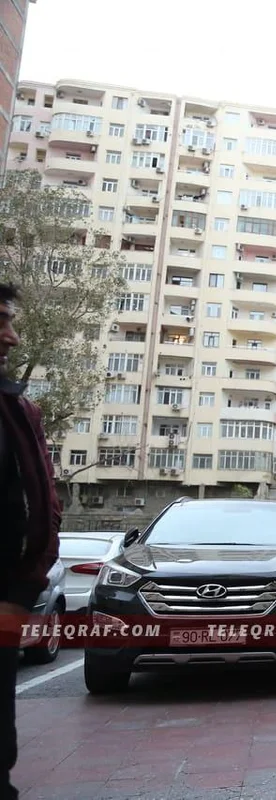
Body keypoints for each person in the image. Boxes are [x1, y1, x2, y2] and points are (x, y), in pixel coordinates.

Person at [0, 283, 61, 799]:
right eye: (0, 321)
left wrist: (24, 587)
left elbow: (43, 497)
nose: (13, 338)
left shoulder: (18, 411)